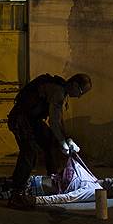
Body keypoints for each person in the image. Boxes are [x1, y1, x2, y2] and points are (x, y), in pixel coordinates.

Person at [6, 73, 92, 209]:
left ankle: (53, 180)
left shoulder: (61, 91)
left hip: (32, 120)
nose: (79, 96)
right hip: (21, 119)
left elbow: (58, 120)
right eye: (81, 92)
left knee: (50, 141)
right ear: (75, 85)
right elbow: (54, 121)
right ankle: (16, 193)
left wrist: (66, 139)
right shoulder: (58, 91)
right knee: (30, 152)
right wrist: (63, 141)